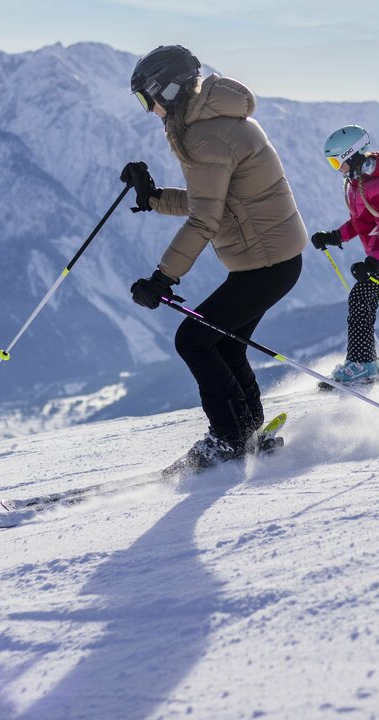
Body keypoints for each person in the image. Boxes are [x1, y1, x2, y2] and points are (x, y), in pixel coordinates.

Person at [121, 45, 308, 468]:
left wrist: (162, 278)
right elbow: (214, 200)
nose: (147, 110)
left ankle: (228, 439)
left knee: (193, 340)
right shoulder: (215, 123)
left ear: (164, 90)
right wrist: (153, 198)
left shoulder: (204, 136)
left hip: (265, 264)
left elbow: (205, 218)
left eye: (144, 99)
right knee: (223, 344)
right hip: (272, 259)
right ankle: (246, 430)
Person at [310, 125, 379, 385]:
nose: (336, 168)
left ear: (353, 156)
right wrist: (334, 236)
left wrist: (372, 263)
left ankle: (361, 364)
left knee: (361, 296)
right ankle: (365, 360)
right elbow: (360, 221)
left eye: (338, 161)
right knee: (363, 297)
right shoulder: (355, 183)